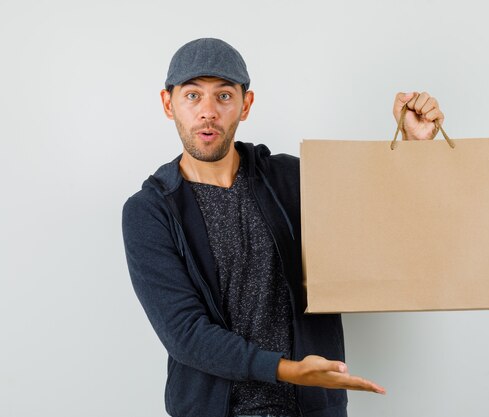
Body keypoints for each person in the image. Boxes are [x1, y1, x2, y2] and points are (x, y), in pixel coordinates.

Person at [122, 38, 444, 417]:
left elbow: (376, 229)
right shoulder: (150, 211)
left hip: (311, 409)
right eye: (193, 96)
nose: (208, 112)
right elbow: (185, 334)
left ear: (246, 104)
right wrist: (290, 371)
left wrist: (413, 149)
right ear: (168, 103)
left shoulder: (293, 179)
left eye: (223, 96)